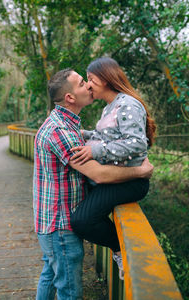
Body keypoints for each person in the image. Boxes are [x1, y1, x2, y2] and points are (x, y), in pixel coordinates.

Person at [33, 67, 154, 300]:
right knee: (69, 292)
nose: (88, 86)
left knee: (50, 275)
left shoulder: (65, 124)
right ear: (69, 97)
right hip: (60, 225)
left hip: (51, 221)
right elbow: (98, 175)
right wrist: (141, 171)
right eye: (82, 83)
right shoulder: (60, 130)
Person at [70, 57, 156, 280]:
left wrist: (95, 151)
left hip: (130, 182)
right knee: (82, 217)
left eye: (90, 79)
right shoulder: (110, 107)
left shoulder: (127, 104)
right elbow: (103, 137)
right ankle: (118, 248)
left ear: (106, 78)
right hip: (114, 180)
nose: (88, 85)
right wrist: (82, 135)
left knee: (82, 221)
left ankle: (121, 249)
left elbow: (137, 143)